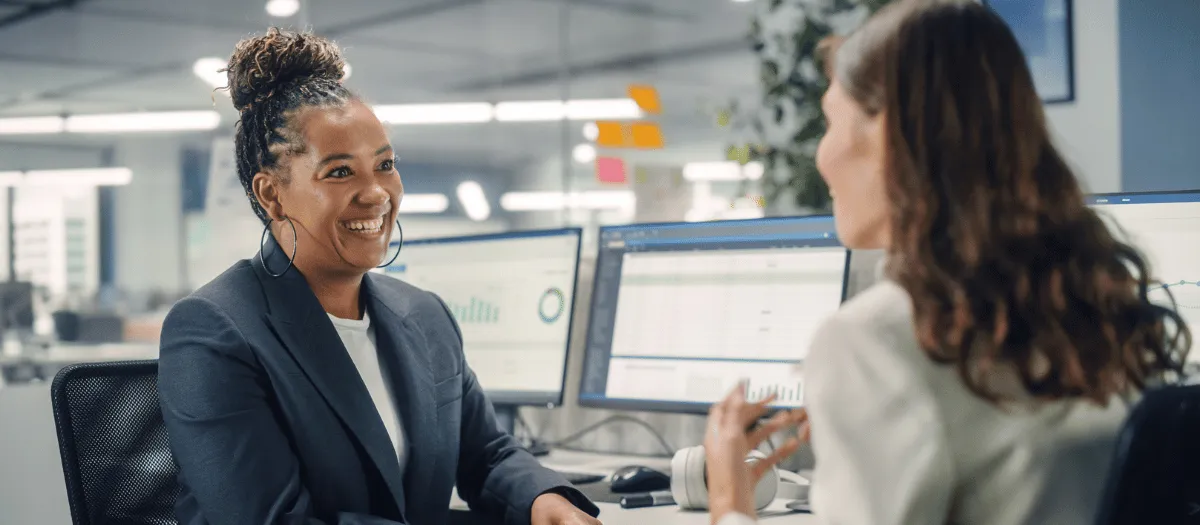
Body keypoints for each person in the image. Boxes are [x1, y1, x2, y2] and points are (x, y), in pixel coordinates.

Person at [702, 1, 1192, 524]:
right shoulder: (1098, 310)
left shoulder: (874, 343)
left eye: (830, 121)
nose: (821, 155)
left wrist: (729, 500)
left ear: (886, 134)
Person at [157, 28, 601, 525]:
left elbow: (486, 453)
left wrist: (545, 502)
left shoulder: (423, 315)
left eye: (385, 165)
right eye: (341, 172)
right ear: (272, 195)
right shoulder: (213, 332)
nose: (377, 194)